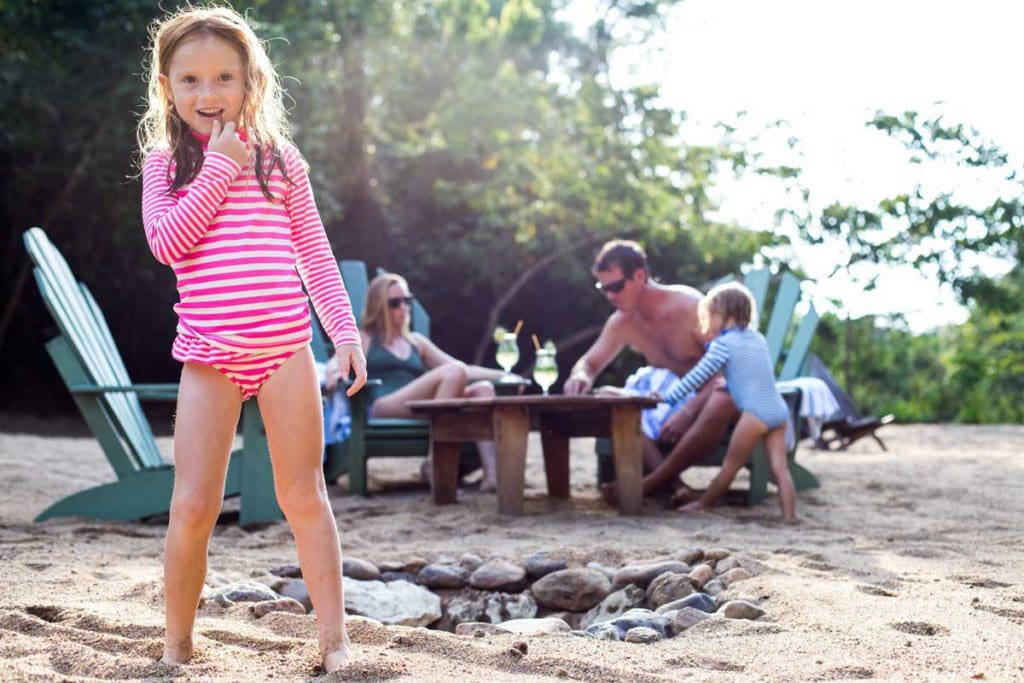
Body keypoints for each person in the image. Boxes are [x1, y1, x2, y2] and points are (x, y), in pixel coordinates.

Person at [137, 7, 365, 673]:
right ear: (167, 86)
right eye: (191, 80)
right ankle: (178, 643)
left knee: (304, 495)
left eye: (224, 78)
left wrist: (344, 331)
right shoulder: (164, 164)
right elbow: (167, 243)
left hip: (285, 351)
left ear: (250, 82)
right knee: (195, 503)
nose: (208, 95)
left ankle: (335, 642)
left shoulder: (280, 162)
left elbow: (316, 258)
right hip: (209, 359)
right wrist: (215, 168)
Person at [562, 239, 738, 501]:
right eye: (604, 288)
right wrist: (580, 376)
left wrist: (688, 411)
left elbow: (731, 373)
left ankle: (650, 484)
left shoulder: (690, 307)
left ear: (640, 276)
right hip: (670, 404)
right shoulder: (623, 323)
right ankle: (676, 485)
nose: (611, 295)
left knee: (726, 395)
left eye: (617, 286)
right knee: (611, 399)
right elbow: (589, 363)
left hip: (713, 400)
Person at [359, 272, 510, 491]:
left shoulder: (416, 342)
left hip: (420, 407)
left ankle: (492, 476)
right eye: (395, 302)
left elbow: (465, 369)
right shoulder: (366, 339)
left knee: (484, 390)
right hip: (384, 404)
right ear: (379, 305)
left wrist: (504, 375)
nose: (403, 307)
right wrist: (335, 371)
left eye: (407, 301)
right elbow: (338, 362)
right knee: (454, 371)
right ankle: (434, 461)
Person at [660, 282, 796, 519]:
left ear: (722, 314)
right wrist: (731, 383)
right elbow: (754, 372)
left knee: (730, 466)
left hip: (755, 414)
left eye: (710, 315)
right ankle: (789, 516)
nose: (709, 323)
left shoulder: (722, 345)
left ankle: (702, 504)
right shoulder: (758, 339)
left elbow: (696, 377)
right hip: (779, 410)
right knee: (781, 470)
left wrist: (667, 398)